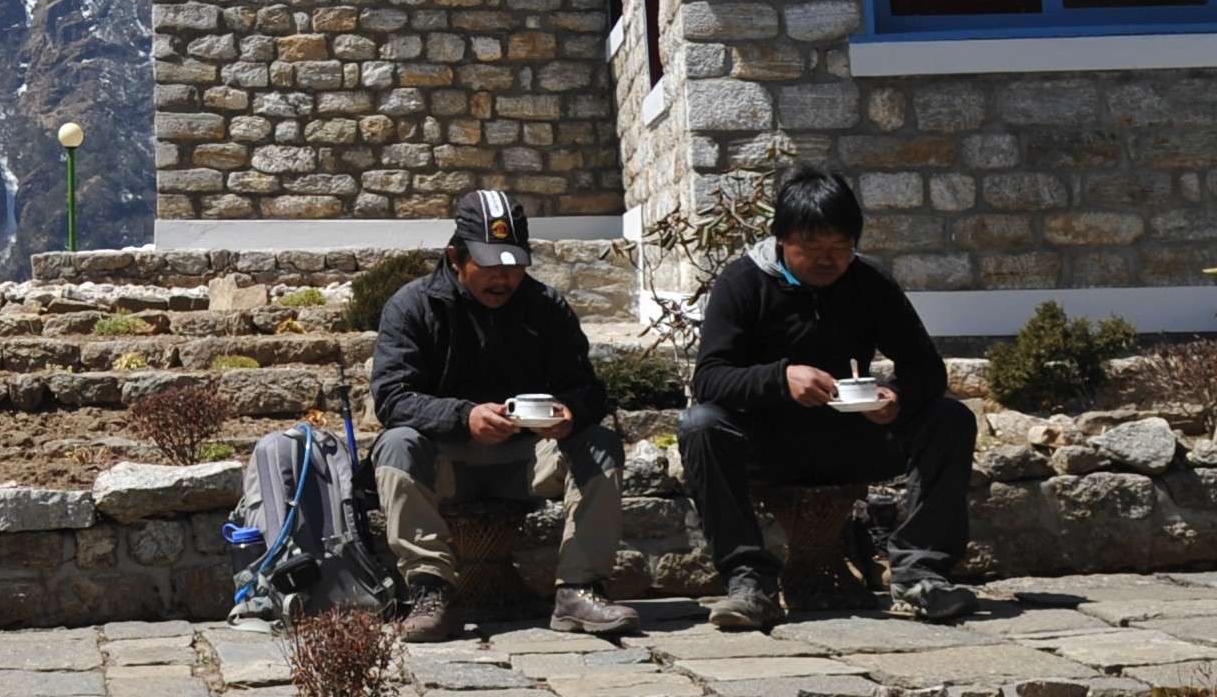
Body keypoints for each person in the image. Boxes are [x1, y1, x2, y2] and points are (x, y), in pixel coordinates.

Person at [680, 165, 979, 632]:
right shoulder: (742, 283)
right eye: (812, 249)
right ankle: (748, 583)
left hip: (853, 439)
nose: (828, 261)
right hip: (766, 446)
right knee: (700, 425)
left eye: (841, 248)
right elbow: (711, 379)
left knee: (949, 417)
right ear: (781, 240)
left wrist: (894, 398)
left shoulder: (870, 283)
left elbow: (927, 368)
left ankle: (920, 575)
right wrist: (781, 380)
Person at [370, 189, 640, 643]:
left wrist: (569, 413)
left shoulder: (547, 308)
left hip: (527, 463)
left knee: (599, 441)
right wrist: (464, 417)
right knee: (396, 444)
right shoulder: (412, 306)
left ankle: (579, 589)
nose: (505, 278)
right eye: (491, 266)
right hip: (444, 465)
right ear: (456, 256)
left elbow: (590, 390)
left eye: (515, 265)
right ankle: (430, 594)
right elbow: (392, 398)